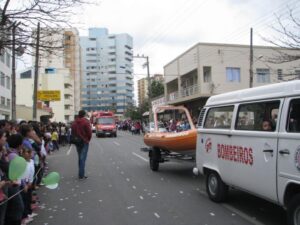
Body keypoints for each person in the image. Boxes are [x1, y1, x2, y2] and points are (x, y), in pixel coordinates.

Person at [71, 110, 92, 180]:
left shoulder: (74, 122)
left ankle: (81, 173)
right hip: (84, 141)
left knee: (80, 157)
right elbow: (89, 133)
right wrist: (87, 140)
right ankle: (81, 175)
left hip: (77, 142)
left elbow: (72, 132)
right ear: (84, 115)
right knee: (82, 158)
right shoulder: (86, 122)